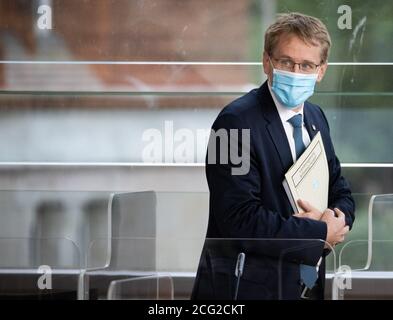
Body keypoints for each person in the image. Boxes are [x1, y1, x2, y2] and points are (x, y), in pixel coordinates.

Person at [191, 12, 355, 300]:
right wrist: (317, 233)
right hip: (245, 289)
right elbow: (237, 218)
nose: (296, 72)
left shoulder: (316, 117)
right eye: (285, 62)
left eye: (306, 65)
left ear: (321, 70)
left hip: (305, 285)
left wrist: (337, 218)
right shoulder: (232, 123)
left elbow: (339, 186)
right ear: (267, 62)